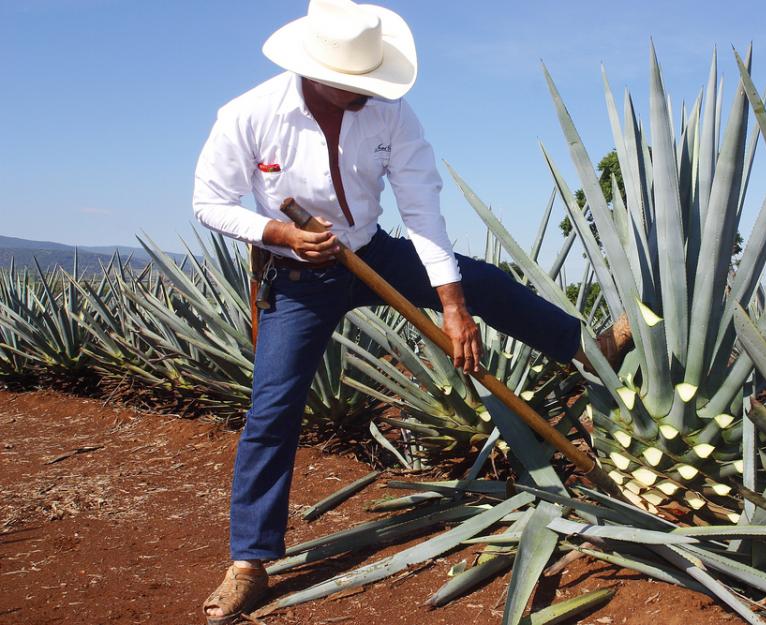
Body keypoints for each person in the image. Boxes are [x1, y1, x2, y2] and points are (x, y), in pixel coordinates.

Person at [193, 1, 629, 623]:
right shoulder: (250, 115)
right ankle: (250, 562)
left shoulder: (390, 112)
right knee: (273, 408)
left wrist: (453, 306)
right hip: (299, 274)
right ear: (317, 71)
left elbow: (422, 209)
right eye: (355, 84)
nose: (366, 93)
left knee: (485, 282)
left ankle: (587, 349)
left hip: (371, 252)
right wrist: (280, 235)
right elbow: (209, 201)